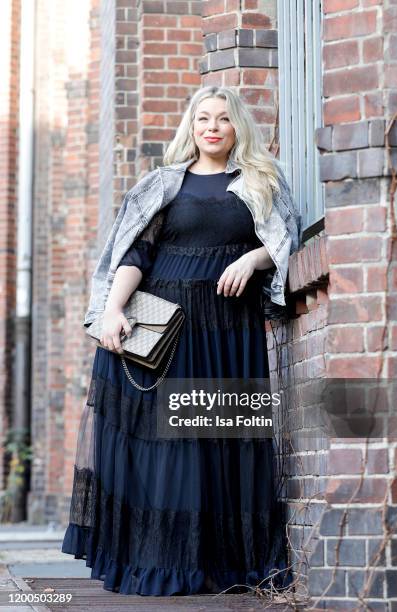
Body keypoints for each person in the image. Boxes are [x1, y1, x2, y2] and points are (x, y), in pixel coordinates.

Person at [61, 85, 301, 596]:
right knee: (171, 452)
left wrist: (251, 259)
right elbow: (134, 256)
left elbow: (283, 240)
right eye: (202, 119)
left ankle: (226, 567)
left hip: (228, 331)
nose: (212, 127)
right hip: (165, 333)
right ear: (190, 128)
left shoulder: (261, 182)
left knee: (225, 443)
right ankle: (164, 565)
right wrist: (111, 310)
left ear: (238, 127)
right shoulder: (162, 184)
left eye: (223, 119)